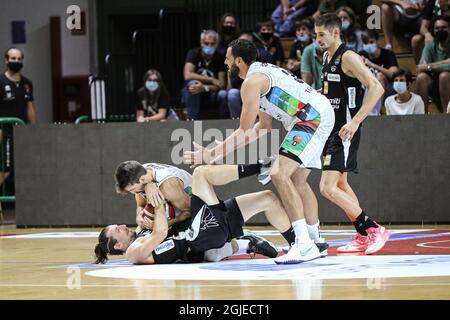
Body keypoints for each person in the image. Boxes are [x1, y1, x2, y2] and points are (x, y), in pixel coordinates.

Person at [184, 39, 335, 264]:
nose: (224, 62)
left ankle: (303, 245)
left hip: (311, 117)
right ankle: (315, 241)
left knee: (278, 174)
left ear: (239, 60)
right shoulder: (260, 77)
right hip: (314, 115)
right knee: (297, 180)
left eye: (227, 58)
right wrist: (214, 153)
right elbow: (262, 128)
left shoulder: (252, 83)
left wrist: (210, 154)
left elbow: (243, 130)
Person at [95, 164, 309, 265]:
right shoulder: (133, 252)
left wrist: (143, 209)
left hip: (203, 226)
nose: (122, 226)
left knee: (268, 198)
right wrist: (156, 200)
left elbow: (155, 218)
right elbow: (160, 233)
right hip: (197, 235)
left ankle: (299, 245)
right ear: (118, 246)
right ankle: (260, 167)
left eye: (119, 225)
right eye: (118, 230)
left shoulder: (143, 222)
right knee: (200, 173)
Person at [315, 13, 391, 255]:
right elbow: (332, 91)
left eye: (321, 35)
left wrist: (356, 121)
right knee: (340, 184)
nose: (317, 39)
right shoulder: (327, 56)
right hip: (331, 130)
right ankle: (361, 235)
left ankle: (374, 229)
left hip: (346, 130)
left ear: (336, 32)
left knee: (327, 188)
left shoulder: (348, 57)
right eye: (316, 35)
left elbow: (377, 87)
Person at [114, 161, 193, 229]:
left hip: (196, 206)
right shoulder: (139, 173)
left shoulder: (167, 186)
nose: (133, 192)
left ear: (142, 179)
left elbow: (189, 211)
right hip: (176, 205)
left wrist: (165, 224)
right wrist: (139, 216)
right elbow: (140, 205)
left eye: (132, 189)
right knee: (140, 230)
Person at [0, 47, 36, 188]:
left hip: (21, 133)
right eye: (13, 58)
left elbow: (30, 108)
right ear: (6, 60)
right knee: (6, 169)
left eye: (19, 59)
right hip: (5, 132)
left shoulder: (27, 84)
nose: (16, 61)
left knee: (21, 168)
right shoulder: (1, 81)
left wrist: (33, 130)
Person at [226, 32, 275, 119]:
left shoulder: (265, 55)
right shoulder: (234, 58)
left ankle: (263, 120)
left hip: (264, 90)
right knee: (232, 93)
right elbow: (234, 83)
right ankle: (236, 121)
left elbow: (272, 79)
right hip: (242, 88)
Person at [182, 30, 228, 120]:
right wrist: (212, 80)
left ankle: (224, 122)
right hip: (192, 92)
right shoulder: (193, 54)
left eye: (212, 43)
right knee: (192, 84)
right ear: (201, 42)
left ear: (217, 44)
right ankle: (192, 120)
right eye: (206, 43)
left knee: (223, 94)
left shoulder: (220, 57)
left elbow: (221, 84)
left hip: (211, 93)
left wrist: (204, 88)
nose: (209, 46)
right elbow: (187, 75)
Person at [359, 29, 400, 115]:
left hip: (388, 87)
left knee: (380, 76)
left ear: (377, 41)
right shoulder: (361, 54)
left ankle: (377, 111)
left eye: (371, 42)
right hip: (367, 88)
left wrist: (373, 65)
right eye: (365, 43)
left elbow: (393, 74)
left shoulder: (388, 54)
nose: (368, 45)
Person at [415, 15, 450, 113]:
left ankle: (447, 116)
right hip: (436, 86)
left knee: (444, 76)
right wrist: (444, 63)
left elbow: (426, 66)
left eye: (444, 28)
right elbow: (420, 68)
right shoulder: (431, 45)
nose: (440, 30)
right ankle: (422, 118)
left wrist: (429, 66)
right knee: (421, 77)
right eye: (437, 28)